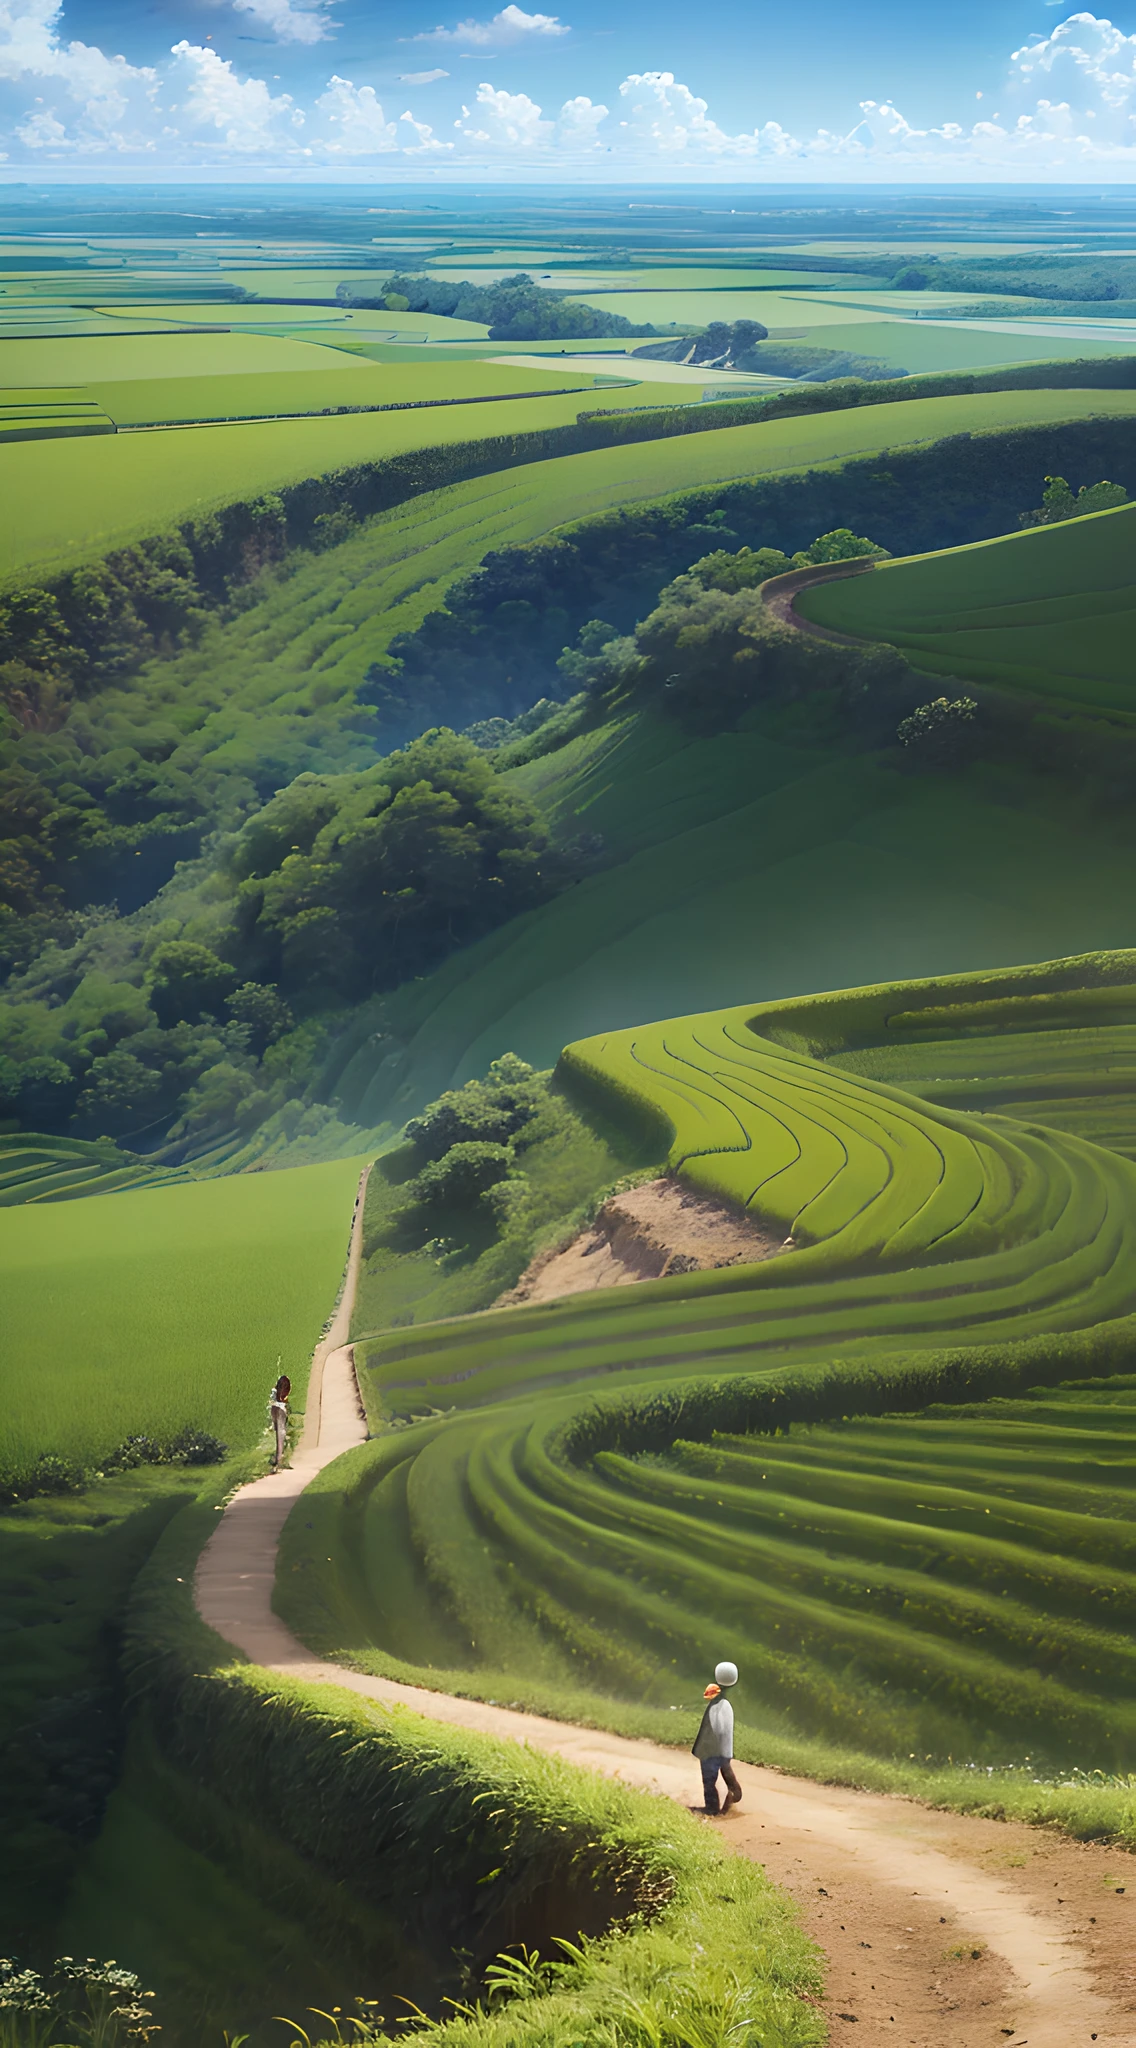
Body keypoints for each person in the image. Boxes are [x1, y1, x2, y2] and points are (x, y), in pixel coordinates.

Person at [692, 1660, 742, 1814]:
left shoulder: (720, 1704)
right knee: (725, 1769)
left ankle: (712, 1807)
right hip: (722, 1748)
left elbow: (718, 1727)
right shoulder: (725, 1703)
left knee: (709, 1779)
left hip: (712, 1748)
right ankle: (733, 1793)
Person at [269, 1373, 291, 1470]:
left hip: (274, 1409)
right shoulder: (283, 1404)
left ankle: (277, 1460)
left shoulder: (274, 1394)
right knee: (281, 1436)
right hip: (280, 1411)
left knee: (278, 1434)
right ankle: (279, 1461)